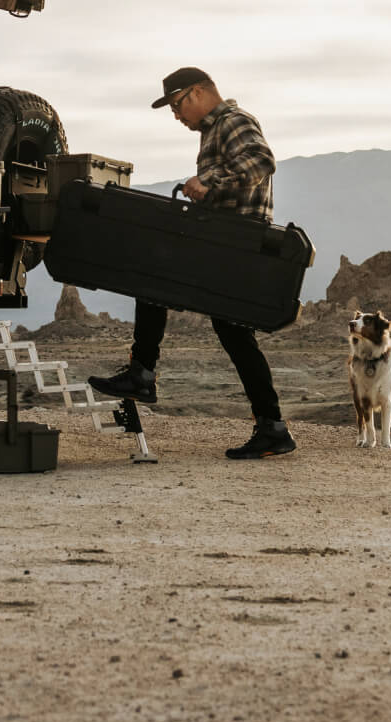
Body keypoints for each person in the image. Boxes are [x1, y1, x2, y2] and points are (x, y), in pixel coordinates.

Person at [89, 66, 295, 460]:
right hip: (229, 241)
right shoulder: (215, 130)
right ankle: (272, 428)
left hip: (234, 243)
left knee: (155, 275)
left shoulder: (233, 121)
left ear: (198, 93)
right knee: (231, 332)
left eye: (177, 105)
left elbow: (262, 160)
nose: (176, 115)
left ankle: (143, 375)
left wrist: (210, 180)